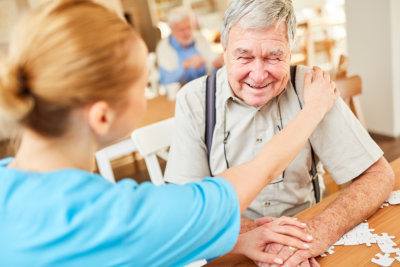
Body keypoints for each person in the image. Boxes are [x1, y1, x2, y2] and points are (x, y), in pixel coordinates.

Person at [0, 0, 340, 266]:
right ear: (102, 117)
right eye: (140, 81)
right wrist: (313, 110)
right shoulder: (121, 218)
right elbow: (261, 169)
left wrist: (233, 240)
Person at [164, 0, 395, 265]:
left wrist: (317, 231)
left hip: (307, 239)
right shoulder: (194, 100)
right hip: (230, 248)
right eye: (244, 56)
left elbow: (377, 175)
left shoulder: (312, 87)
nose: (259, 75)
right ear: (225, 52)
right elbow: (187, 208)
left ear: (290, 52)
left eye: (274, 56)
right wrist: (267, 240)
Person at [156, 6, 223, 86]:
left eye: (189, 28)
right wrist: (185, 65)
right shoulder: (163, 47)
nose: (187, 33)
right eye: (182, 30)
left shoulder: (201, 38)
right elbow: (165, 81)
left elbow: (212, 69)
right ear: (171, 29)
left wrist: (217, 64)